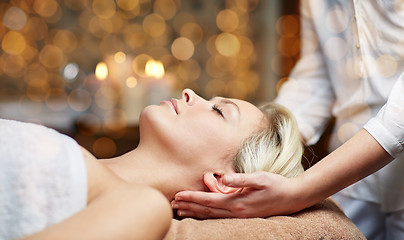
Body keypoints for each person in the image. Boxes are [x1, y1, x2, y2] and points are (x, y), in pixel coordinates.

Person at [172, 1, 404, 239]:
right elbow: (317, 76)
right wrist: (263, 146)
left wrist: (300, 190)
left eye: (219, 111)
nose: (188, 93)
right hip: (352, 182)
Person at [0, 88, 304, 240]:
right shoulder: (76, 155)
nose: (189, 92)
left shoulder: (143, 206)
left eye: (219, 111)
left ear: (224, 181)